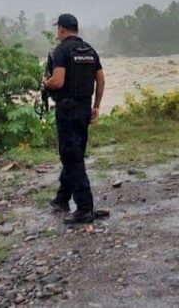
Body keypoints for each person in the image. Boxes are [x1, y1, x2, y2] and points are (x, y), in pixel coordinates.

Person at [43, 13, 105, 224]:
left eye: (57, 30)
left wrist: (46, 82)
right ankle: (62, 199)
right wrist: (96, 106)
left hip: (68, 110)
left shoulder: (61, 51)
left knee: (71, 157)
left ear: (61, 29)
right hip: (85, 108)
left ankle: (85, 207)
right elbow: (101, 80)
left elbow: (58, 82)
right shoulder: (89, 50)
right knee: (75, 154)